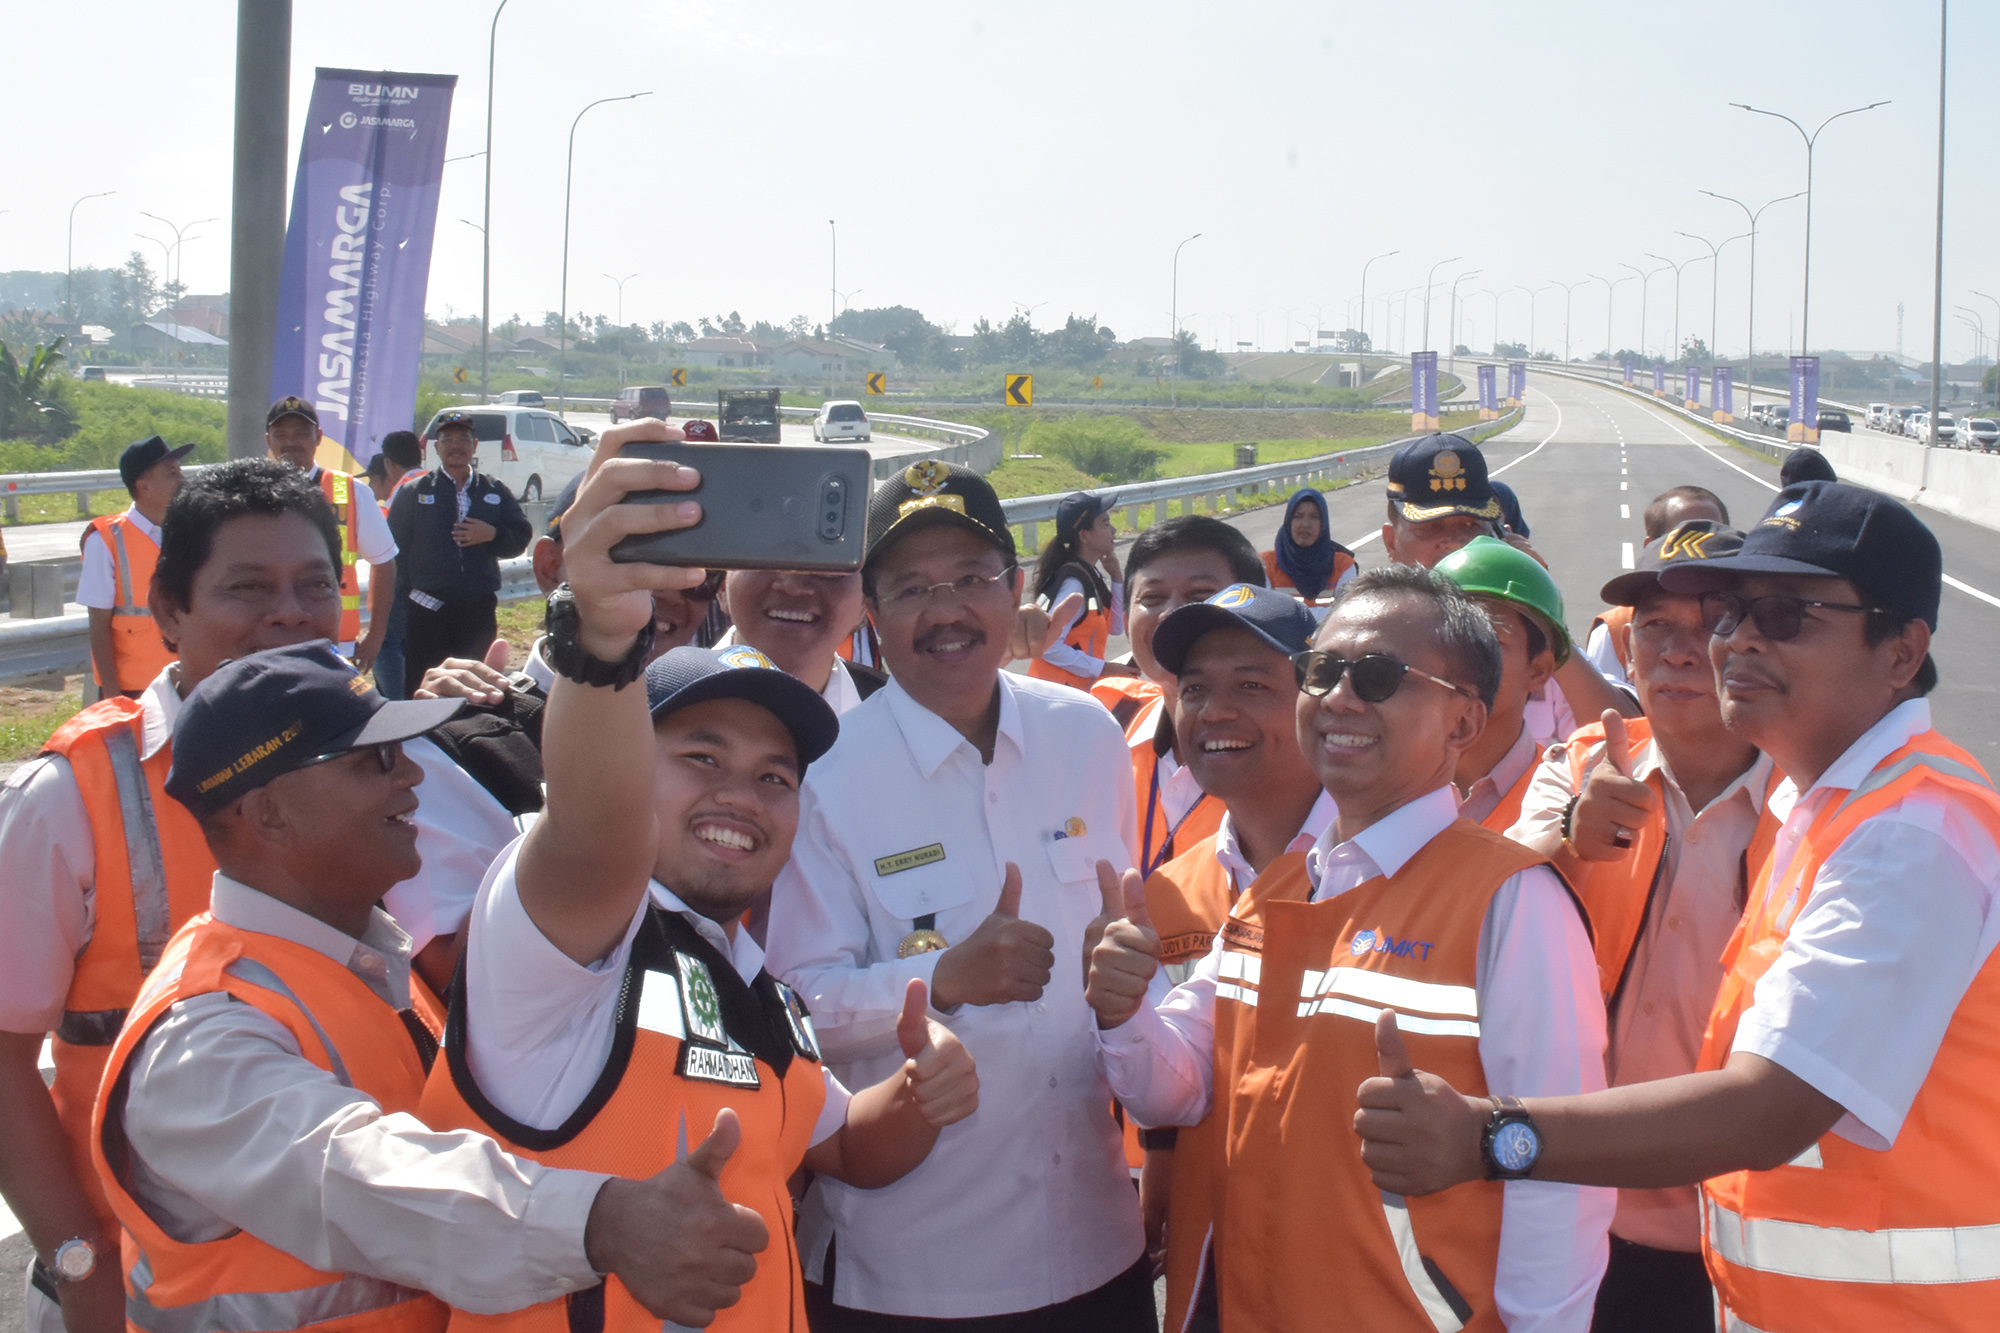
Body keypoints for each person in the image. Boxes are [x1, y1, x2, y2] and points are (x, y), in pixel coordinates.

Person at [1351, 481, 1999, 1333]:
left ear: (1902, 651)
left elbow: (1770, 1106)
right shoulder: (1821, 806)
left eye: (1787, 614)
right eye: (1735, 614)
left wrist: (1486, 1136)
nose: (1737, 642)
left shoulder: (1912, 831)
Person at [420, 437, 979, 1328]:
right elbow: (595, 832)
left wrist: (920, 1091)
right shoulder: (568, 944)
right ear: (628, 762)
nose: (741, 795)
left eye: (774, 776)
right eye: (701, 755)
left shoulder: (752, 981)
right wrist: (600, 626)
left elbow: (840, 1146)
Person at [89, 640, 773, 1331]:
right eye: (373, 761)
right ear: (268, 812)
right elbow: (357, 1178)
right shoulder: (201, 1035)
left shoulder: (367, 967)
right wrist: (604, 1221)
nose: (412, 776)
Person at [0, 460, 489, 1333]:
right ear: (169, 610)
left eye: (313, 584)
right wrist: (78, 1260)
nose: (290, 614)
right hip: (144, 1290)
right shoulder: (72, 795)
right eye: (247, 587)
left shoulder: (394, 759)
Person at [1089, 564, 1613, 1332]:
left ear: (1462, 722)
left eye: (1376, 675)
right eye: (1323, 671)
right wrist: (1124, 1011)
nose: (1339, 696)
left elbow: (1562, 1173)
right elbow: (1175, 1089)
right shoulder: (1277, 891)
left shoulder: (1511, 900)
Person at [766, 461, 1153, 1330]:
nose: (946, 610)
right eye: (910, 588)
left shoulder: (1085, 735)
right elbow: (793, 1004)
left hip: (1096, 1240)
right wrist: (944, 977)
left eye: (972, 579)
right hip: (912, 1270)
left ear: (1014, 588)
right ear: (871, 618)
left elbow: (1126, 945)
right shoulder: (824, 772)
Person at [1507, 519, 1780, 1333]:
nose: (1681, 649)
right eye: (1656, 627)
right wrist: (1567, 839)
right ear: (1625, 657)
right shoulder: (1579, 764)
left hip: (1743, 1217)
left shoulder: (1817, 803)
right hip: (1574, 1200)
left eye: (1714, 624)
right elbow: (1482, 894)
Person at [1125, 582, 1331, 1331]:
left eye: (1253, 685)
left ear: (1321, 698)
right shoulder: (1167, 894)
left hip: (1368, 1278)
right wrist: (1118, 1017)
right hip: (1219, 1270)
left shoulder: (1388, 865)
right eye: (1195, 688)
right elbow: (1170, 1092)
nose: (1214, 711)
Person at [1380, 433, 1635, 738]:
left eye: (1471, 527)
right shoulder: (1365, 637)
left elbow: (1628, 740)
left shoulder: (1528, 649)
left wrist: (1541, 614)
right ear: (1391, 542)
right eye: (1431, 529)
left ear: (1500, 536)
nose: (1456, 545)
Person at [1100, 517, 1267, 879]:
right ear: (1127, 621)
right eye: (1152, 597)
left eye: (1200, 596)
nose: (1171, 614)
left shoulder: (1293, 747)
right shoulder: (1104, 720)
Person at [387, 411, 534, 697]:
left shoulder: (494, 490)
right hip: (426, 614)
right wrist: (406, 601)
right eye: (447, 439)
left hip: (476, 613)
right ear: (436, 447)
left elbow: (520, 537)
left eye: (463, 439)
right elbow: (394, 553)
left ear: (475, 445)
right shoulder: (413, 493)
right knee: (424, 691)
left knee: (475, 690)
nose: (456, 445)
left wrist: (492, 534)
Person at [1432, 536, 1571, 831]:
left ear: (1538, 671)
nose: (1459, 656)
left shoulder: (1565, 805)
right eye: (1443, 635)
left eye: (1488, 640)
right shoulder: (1380, 784)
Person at [265, 396, 397, 669]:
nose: (291, 442)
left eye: (302, 433)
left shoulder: (348, 490)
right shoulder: (255, 493)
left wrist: (375, 635)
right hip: (269, 640)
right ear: (269, 441)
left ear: (319, 438)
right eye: (281, 435)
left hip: (335, 644)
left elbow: (384, 562)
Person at [80, 435, 191, 699]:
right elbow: (99, 624)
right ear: (144, 487)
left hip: (187, 681)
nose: (182, 480)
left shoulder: (192, 531)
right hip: (132, 690)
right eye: (171, 473)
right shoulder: (105, 539)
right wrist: (111, 694)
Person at [1583, 487, 1729, 685]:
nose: (1678, 653)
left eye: (1711, 623)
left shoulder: (1748, 619)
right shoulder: (1613, 629)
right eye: (1656, 624)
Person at [719, 568, 888, 713]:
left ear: (865, 603)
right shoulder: (691, 691)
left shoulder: (901, 720)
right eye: (764, 557)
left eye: (828, 566)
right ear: (723, 588)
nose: (793, 587)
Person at [1029, 489, 1127, 691]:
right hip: (1057, 695)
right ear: (1084, 535)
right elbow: (1048, 648)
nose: (1114, 530)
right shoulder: (1074, 584)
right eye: (1105, 523)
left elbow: (1115, 628)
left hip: (1072, 693)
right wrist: (1102, 668)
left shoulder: (1089, 575)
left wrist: (1117, 578)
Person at [370, 431, 428, 699]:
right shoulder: (436, 483)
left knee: (386, 644)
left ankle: (395, 704)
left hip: (403, 583)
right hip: (434, 587)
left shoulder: (400, 492)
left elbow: (386, 547)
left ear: (388, 464)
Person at [1262, 487, 1356, 605]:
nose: (1305, 524)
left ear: (1324, 524)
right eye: (1298, 516)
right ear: (1288, 521)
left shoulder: (1342, 566)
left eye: (1314, 517)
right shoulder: (1266, 565)